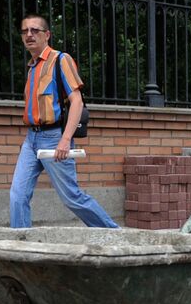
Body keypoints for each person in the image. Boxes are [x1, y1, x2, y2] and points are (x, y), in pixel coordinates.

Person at [8, 15, 117, 229]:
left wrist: (65, 139)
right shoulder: (32, 67)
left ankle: (113, 233)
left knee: (71, 197)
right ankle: (20, 246)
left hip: (54, 137)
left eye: (35, 30)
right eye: (25, 31)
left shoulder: (60, 59)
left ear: (47, 35)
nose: (29, 35)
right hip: (31, 139)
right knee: (17, 196)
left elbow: (77, 102)